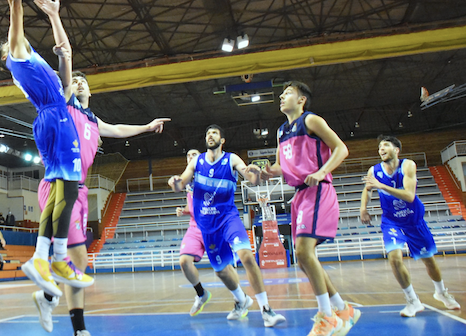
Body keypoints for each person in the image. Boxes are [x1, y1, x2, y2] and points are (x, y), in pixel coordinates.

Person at [30, 7, 170, 336]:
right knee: (75, 253)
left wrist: (148, 127)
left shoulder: (93, 120)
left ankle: (51, 299)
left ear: (90, 91)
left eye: (82, 81)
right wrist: (54, 17)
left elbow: (118, 129)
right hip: (56, 185)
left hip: (78, 191)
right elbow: (65, 53)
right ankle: (71, 321)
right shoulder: (63, 103)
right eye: (73, 80)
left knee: (79, 261)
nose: (76, 82)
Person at [0, 0, 89, 297]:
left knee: (64, 191)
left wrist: (55, 20)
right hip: (53, 119)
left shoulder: (33, 63)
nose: (13, 35)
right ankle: (54, 255)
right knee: (70, 188)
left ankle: (44, 257)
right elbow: (15, 1)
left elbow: (65, 82)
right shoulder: (16, 53)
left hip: (53, 116)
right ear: (6, 54)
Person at [257, 81, 360, 336]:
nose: (281, 96)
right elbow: (281, 168)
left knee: (303, 252)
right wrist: (265, 173)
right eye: (281, 94)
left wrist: (322, 170)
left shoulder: (311, 120)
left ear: (301, 100)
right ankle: (343, 309)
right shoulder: (281, 131)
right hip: (300, 195)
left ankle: (327, 317)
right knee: (305, 259)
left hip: (319, 189)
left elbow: (341, 149)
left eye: (287, 93)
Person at [169, 125, 286, 328]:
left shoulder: (230, 159)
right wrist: (176, 182)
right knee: (222, 271)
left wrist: (256, 175)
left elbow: (250, 177)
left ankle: (266, 309)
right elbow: (182, 182)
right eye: (207, 133)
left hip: (228, 219)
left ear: (222, 140)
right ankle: (241, 300)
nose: (210, 136)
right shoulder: (197, 162)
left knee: (247, 256)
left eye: (214, 133)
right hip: (207, 225)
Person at [360, 135, 460, 316]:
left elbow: (409, 196)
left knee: (429, 260)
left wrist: (380, 185)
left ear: (396, 150)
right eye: (379, 147)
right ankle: (412, 300)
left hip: (414, 221)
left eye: (386, 146)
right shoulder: (374, 171)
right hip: (392, 222)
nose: (381, 149)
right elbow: (366, 190)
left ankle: (441, 292)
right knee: (394, 259)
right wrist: (363, 208)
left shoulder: (408, 165)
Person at [176, 149, 212, 316]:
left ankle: (240, 297)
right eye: (188, 155)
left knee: (223, 268)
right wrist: (184, 211)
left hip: (212, 224)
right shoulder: (187, 181)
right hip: (194, 226)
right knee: (184, 261)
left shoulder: (209, 174)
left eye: (194, 154)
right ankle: (201, 294)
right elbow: (191, 205)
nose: (190, 157)